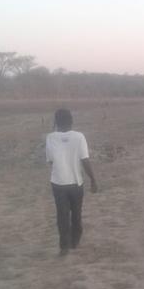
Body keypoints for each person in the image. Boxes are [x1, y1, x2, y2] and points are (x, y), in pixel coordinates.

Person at [46, 109, 98, 256]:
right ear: (71, 121)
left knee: (62, 215)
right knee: (76, 214)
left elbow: (51, 161)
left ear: (56, 122)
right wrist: (93, 180)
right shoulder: (79, 137)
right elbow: (85, 160)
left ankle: (64, 247)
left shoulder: (50, 138)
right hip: (76, 183)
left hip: (58, 183)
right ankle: (75, 242)